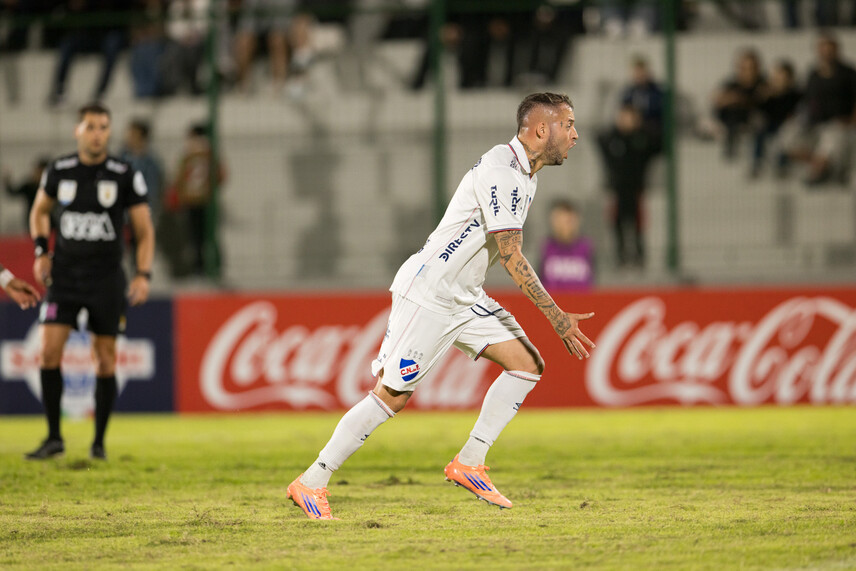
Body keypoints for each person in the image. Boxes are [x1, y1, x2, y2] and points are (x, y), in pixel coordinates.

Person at [286, 92, 596, 520]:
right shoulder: (502, 173)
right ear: (542, 129)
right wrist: (556, 317)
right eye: (569, 124)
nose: (575, 135)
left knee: (526, 364)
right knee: (392, 397)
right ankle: (312, 481)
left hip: (464, 296)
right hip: (430, 293)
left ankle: (469, 462)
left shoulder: (525, 175)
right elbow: (511, 256)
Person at [26, 102, 155, 461]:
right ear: (77, 131)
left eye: (103, 127)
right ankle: (54, 438)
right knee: (48, 351)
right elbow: (39, 211)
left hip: (106, 279)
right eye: (90, 127)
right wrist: (41, 251)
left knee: (105, 359)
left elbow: (144, 231)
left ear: (109, 132)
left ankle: (98, 443)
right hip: (65, 276)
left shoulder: (124, 173)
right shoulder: (59, 170)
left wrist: (143, 274)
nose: (97, 134)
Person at [779, 34, 856, 185]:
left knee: (832, 138)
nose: (827, 53)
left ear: (837, 50)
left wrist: (852, 121)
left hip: (839, 123)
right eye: (823, 50)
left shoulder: (849, 73)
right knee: (789, 134)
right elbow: (806, 100)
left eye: (830, 50)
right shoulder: (813, 74)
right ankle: (816, 164)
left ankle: (821, 172)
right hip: (814, 123)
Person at [597, 104, 660, 268]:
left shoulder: (642, 139)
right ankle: (621, 256)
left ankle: (639, 255)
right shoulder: (612, 139)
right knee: (617, 222)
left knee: (637, 223)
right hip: (617, 190)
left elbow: (658, 144)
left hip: (636, 189)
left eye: (629, 118)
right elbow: (599, 139)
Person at [167, 123, 225, 276]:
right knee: (207, 236)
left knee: (195, 236)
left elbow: (179, 179)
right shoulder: (210, 155)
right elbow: (220, 176)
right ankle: (212, 266)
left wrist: (181, 195)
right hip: (205, 201)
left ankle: (200, 267)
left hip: (193, 201)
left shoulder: (188, 155)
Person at [712, 48, 767, 160]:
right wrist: (732, 99)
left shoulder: (763, 83)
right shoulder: (732, 83)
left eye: (751, 68)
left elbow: (765, 97)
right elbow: (717, 98)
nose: (748, 72)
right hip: (731, 122)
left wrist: (743, 99)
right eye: (744, 68)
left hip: (754, 123)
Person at [751, 60, 802, 178]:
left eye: (782, 77)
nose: (778, 80)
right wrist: (763, 97)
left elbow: (796, 113)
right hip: (769, 125)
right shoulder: (767, 93)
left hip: (788, 126)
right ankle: (757, 162)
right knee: (759, 132)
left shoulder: (795, 94)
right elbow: (758, 111)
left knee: (786, 135)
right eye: (776, 76)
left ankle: (781, 164)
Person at [539, 199, 595, 291]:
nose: (563, 226)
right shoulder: (546, 247)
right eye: (559, 221)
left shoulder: (586, 247)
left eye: (568, 221)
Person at [4, 157, 50, 231]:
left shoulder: (50, 186)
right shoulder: (29, 186)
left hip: (49, 222)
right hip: (31, 222)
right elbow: (13, 192)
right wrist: (7, 180)